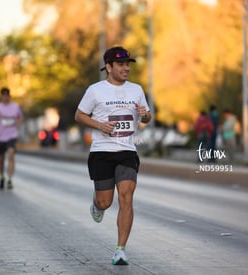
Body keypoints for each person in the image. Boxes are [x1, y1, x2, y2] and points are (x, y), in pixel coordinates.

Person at [75, 46, 151, 265]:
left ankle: (120, 250)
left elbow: (146, 117)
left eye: (128, 64)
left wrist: (145, 115)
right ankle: (97, 205)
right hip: (101, 152)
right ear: (108, 67)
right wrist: (100, 125)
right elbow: (79, 115)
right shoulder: (95, 90)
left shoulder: (136, 89)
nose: (126, 68)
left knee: (126, 196)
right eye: (121, 64)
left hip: (127, 151)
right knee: (105, 201)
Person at [0, 87, 23, 190]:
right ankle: (2, 176)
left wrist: (18, 122)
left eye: (7, 95)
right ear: (1, 96)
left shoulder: (15, 106)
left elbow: (20, 117)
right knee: (1, 159)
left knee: (11, 154)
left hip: (12, 135)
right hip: (0, 136)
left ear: (9, 96)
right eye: (3, 95)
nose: (5, 97)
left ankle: (10, 179)